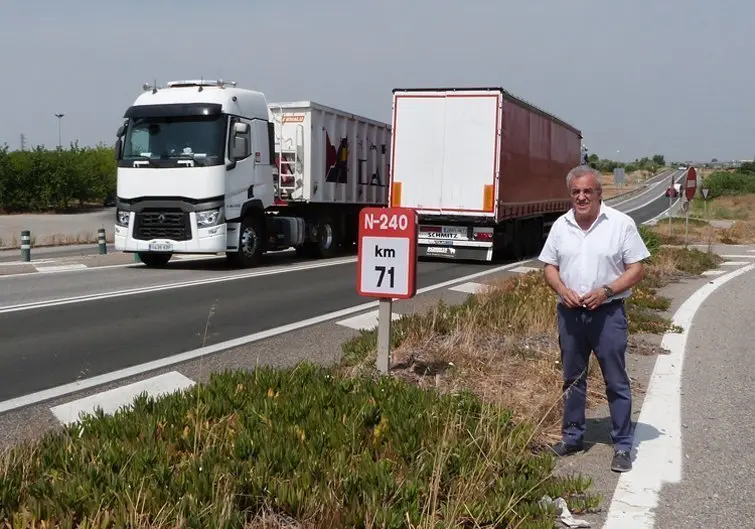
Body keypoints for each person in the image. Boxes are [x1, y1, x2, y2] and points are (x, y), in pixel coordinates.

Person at [538, 165, 650, 473]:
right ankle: (572, 436)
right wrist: (562, 289)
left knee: (615, 380)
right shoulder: (561, 225)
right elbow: (549, 266)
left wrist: (606, 290)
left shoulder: (620, 224)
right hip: (571, 314)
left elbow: (637, 268)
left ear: (599, 194)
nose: (581, 197)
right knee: (573, 379)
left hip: (607, 313)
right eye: (576, 192)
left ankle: (623, 445)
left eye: (588, 191)